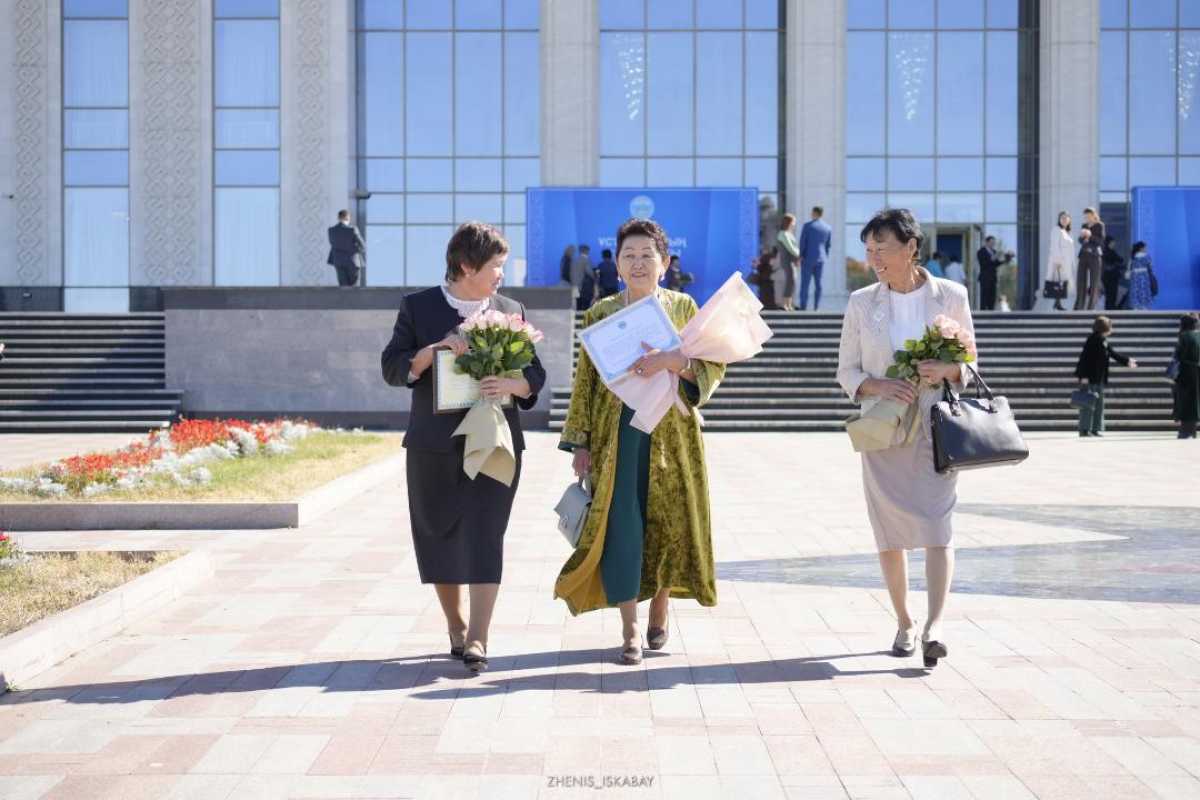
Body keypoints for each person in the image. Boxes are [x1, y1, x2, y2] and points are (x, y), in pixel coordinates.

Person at [556, 217, 727, 665]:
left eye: (647, 255)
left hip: (672, 433)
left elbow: (711, 366)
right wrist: (580, 443)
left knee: (668, 521)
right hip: (618, 436)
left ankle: (660, 605)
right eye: (628, 255)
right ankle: (630, 628)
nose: (637, 263)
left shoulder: (684, 307)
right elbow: (585, 383)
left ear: (664, 263)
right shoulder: (600, 314)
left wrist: (673, 361)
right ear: (617, 265)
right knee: (623, 526)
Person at [380, 221, 547, 674]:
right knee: (438, 532)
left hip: (495, 442)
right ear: (467, 266)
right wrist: (430, 353)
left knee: (486, 534)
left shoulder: (510, 310)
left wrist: (511, 384)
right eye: (496, 265)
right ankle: (455, 625)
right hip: (433, 446)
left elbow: (535, 376)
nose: (501, 275)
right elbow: (393, 367)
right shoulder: (418, 307)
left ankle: (478, 636)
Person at [836, 208, 975, 670]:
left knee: (938, 524)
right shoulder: (861, 302)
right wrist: (878, 385)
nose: (875, 258)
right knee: (890, 531)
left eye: (883, 249)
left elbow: (971, 364)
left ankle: (935, 626)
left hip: (936, 428)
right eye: (869, 250)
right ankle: (904, 621)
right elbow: (846, 371)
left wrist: (947, 369)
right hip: (883, 429)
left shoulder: (950, 296)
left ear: (911, 247)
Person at [1073, 315, 1137, 438]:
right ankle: (1084, 429)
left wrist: (1127, 361)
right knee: (1087, 405)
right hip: (1090, 378)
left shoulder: (1103, 340)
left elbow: (1113, 353)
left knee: (1098, 405)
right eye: (1110, 326)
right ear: (1105, 327)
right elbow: (1084, 359)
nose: (1112, 329)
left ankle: (1095, 429)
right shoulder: (1092, 339)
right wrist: (1083, 376)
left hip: (1099, 378)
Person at [798, 206, 832, 310]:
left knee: (805, 284)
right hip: (821, 259)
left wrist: (800, 256)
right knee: (818, 284)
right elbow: (828, 245)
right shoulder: (827, 228)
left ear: (814, 213)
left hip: (808, 258)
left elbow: (803, 243)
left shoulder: (807, 226)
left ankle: (803, 306)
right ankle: (816, 307)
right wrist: (825, 256)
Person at [1173, 314, 1200, 439]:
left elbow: (1179, 355)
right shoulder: (1198, 335)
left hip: (1185, 372)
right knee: (1194, 401)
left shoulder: (1184, 336)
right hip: (1197, 370)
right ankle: (1192, 430)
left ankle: (1185, 431)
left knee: (1185, 400)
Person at [1075, 207, 1105, 310]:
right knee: (1080, 281)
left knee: (1094, 282)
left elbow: (1100, 241)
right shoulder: (1084, 225)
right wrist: (1082, 238)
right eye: (1085, 216)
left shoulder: (1100, 225)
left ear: (1093, 215)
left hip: (1095, 256)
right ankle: (1079, 306)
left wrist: (1090, 235)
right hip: (1083, 255)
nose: (1086, 218)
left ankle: (1090, 308)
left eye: (1088, 216)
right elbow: (1080, 240)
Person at [327, 210, 366, 287]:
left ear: (338, 218)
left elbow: (333, 244)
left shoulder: (331, 230)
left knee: (343, 287)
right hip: (353, 261)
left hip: (338, 261)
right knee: (354, 288)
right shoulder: (353, 229)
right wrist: (355, 249)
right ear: (348, 217)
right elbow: (362, 246)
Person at [1046, 211, 1074, 311]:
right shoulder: (1056, 229)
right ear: (1059, 220)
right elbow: (1054, 246)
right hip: (1059, 261)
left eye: (1066, 218)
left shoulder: (1067, 232)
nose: (1064, 219)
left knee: (1062, 283)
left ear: (1069, 220)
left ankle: (1057, 303)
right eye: (1062, 218)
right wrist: (1057, 260)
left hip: (1066, 261)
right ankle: (1057, 303)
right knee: (1059, 282)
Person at [976, 235, 1012, 311]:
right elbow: (984, 263)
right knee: (984, 296)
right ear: (986, 242)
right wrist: (993, 257)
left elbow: (996, 264)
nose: (993, 244)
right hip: (985, 278)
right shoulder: (981, 252)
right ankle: (982, 312)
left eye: (994, 242)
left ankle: (990, 311)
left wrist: (1006, 260)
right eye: (991, 242)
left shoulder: (994, 252)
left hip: (993, 277)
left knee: (992, 296)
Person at [776, 213, 800, 311]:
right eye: (793, 221)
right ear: (789, 222)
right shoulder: (783, 234)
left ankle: (789, 304)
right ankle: (785, 304)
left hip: (791, 260)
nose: (794, 224)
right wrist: (800, 254)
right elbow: (790, 248)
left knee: (792, 281)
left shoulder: (789, 234)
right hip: (786, 260)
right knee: (790, 280)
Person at [1126, 241, 1155, 311]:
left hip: (1134, 276)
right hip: (1144, 276)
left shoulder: (1133, 256)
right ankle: (1144, 306)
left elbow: (1129, 266)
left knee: (1135, 290)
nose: (1146, 249)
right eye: (1145, 247)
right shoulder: (1146, 256)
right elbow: (1150, 266)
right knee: (1143, 290)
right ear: (1141, 248)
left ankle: (1135, 306)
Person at [1101, 235, 1125, 311]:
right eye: (1112, 242)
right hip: (1112, 277)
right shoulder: (1111, 252)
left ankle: (1109, 310)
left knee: (1109, 295)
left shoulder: (1104, 252)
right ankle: (1111, 310)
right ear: (1109, 243)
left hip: (1106, 276)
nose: (1114, 244)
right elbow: (1120, 260)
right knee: (1112, 295)